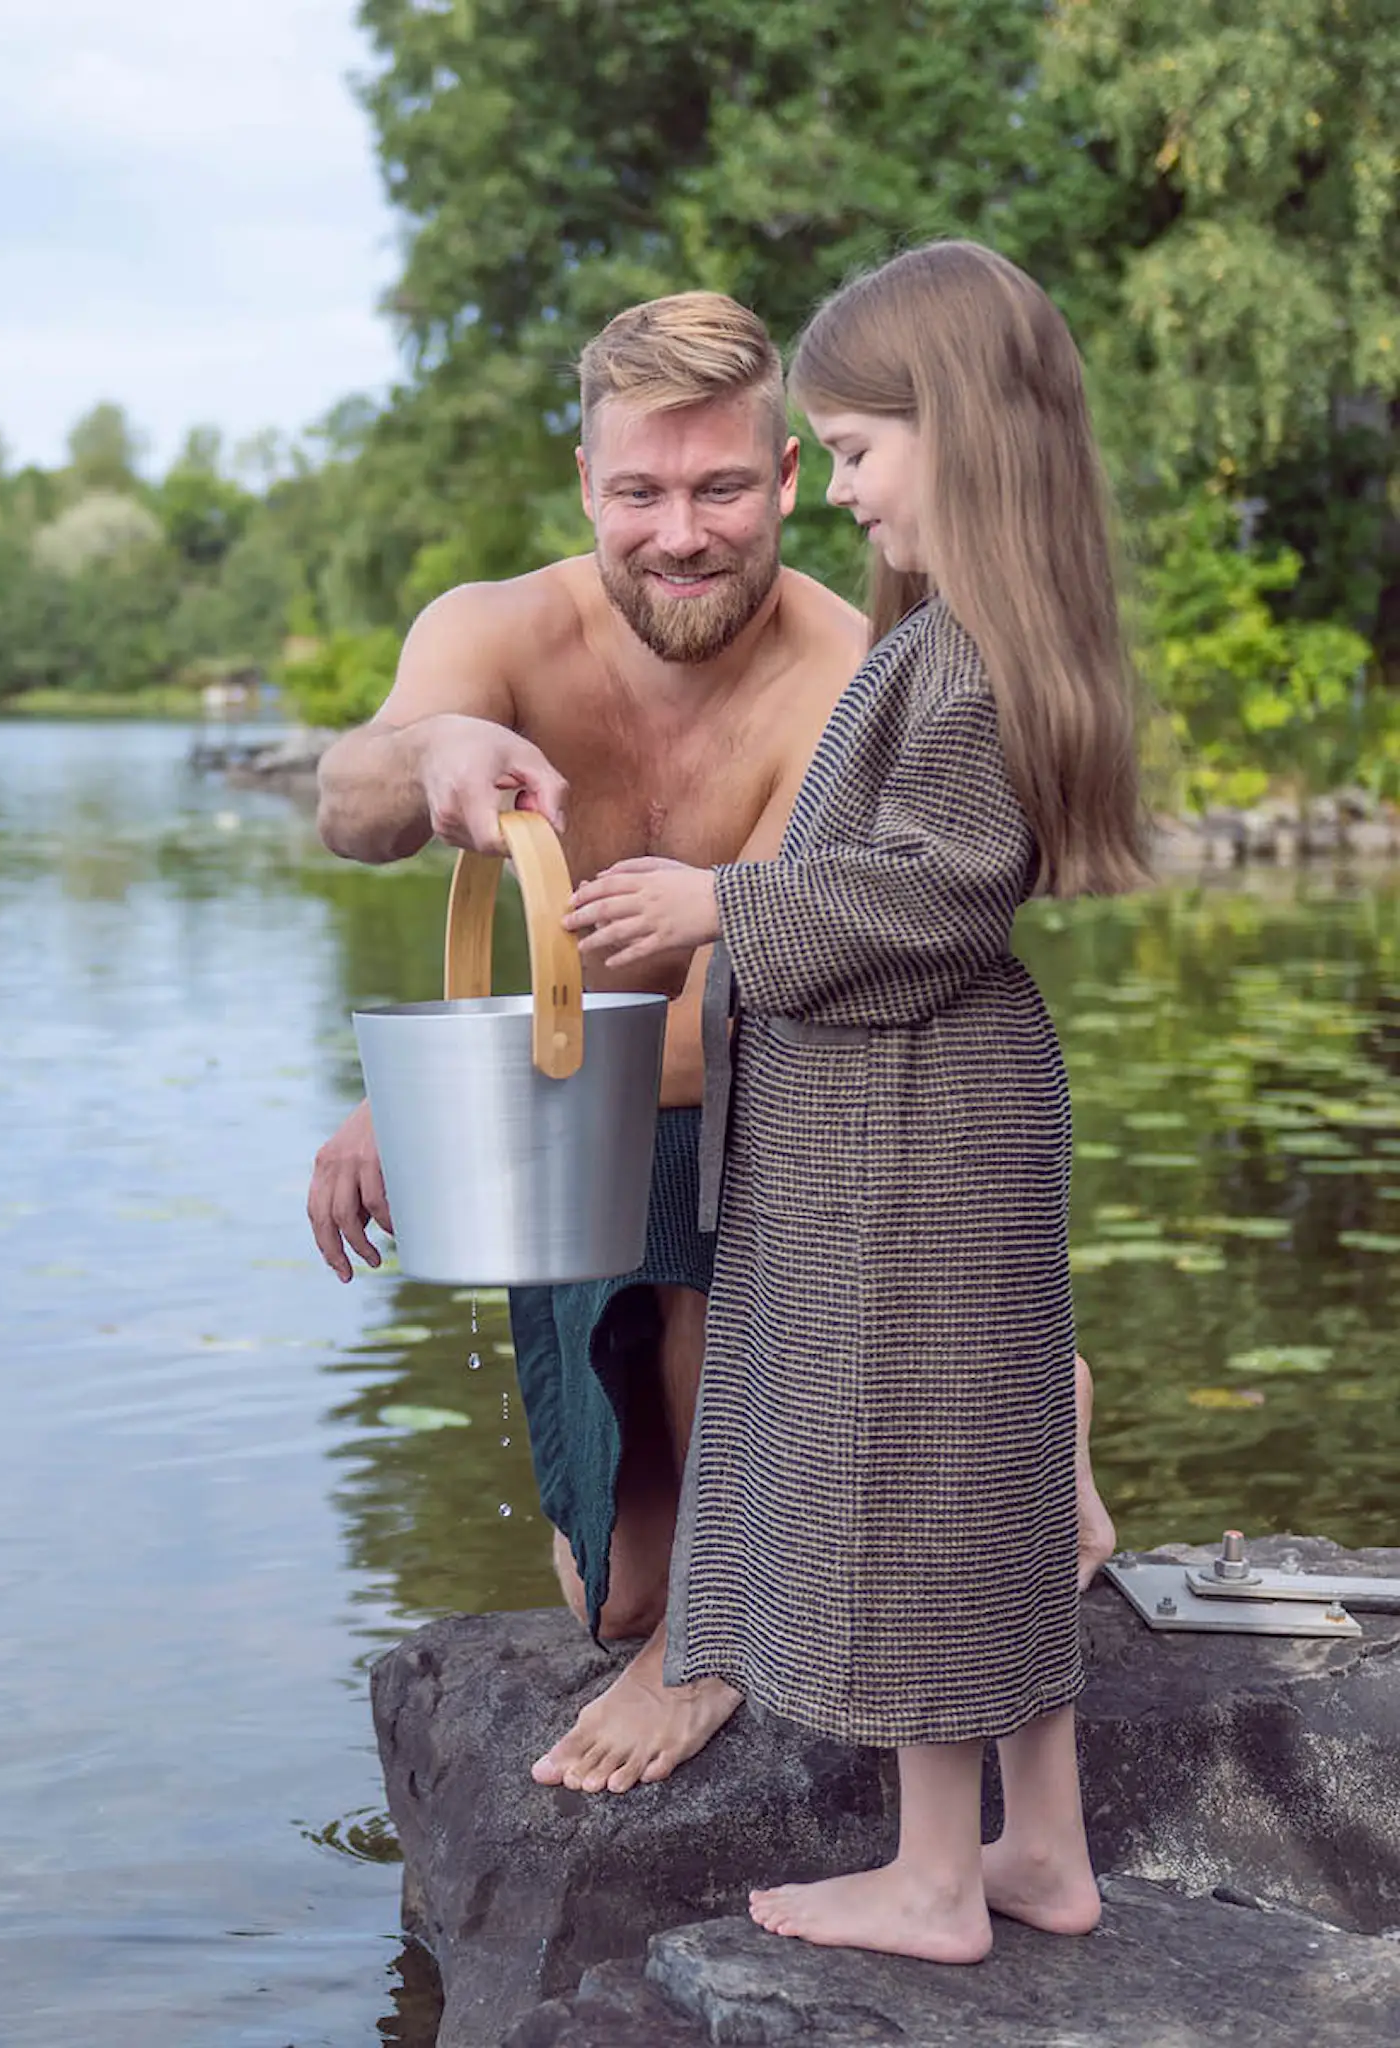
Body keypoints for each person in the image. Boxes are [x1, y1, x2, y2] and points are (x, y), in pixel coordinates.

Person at [307, 290, 1116, 1799]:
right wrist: (434, 760)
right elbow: (349, 809)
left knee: (685, 1594)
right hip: (584, 1117)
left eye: (722, 488)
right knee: (602, 1596)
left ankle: (957, 1441)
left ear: (794, 480)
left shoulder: (851, 662)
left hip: (778, 1126)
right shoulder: (493, 629)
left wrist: (459, 1105)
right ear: (586, 482)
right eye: (641, 493)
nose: (680, 533)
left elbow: (817, 966)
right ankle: (935, 1446)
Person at [562, 241, 1146, 1958]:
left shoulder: (965, 661)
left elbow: (942, 886)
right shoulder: (953, 640)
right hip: (909, 1123)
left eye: (863, 451)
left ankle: (933, 1877)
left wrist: (716, 904)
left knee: (914, 1490)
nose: (852, 494)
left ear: (956, 431)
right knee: (993, 1473)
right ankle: (1044, 1849)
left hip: (913, 1136)